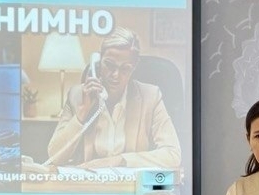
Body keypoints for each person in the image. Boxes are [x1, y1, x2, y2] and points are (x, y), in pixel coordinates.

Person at [45, 27, 181, 170]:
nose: (115, 75)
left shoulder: (150, 97)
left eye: (125, 68)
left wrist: (119, 160)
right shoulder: (77, 95)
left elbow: (173, 154)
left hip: (130, 183)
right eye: (109, 65)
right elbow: (54, 157)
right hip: (89, 181)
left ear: (134, 67)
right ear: (98, 61)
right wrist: (82, 112)